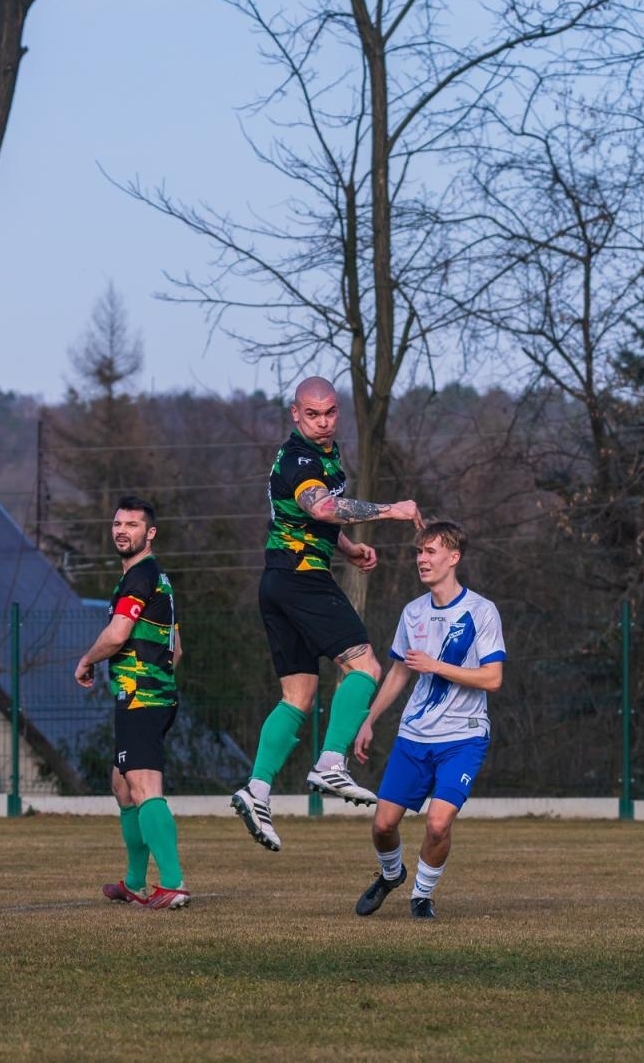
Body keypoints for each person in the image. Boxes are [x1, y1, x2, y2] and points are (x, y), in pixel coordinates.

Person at [231, 376, 423, 852]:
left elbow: (314, 520)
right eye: (312, 414)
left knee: (298, 694)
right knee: (366, 667)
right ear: (295, 414)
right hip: (301, 579)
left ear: (338, 413)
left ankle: (256, 790)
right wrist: (390, 510)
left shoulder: (326, 455)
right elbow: (321, 508)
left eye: (330, 413)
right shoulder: (300, 459)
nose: (322, 422)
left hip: (278, 579)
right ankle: (331, 763)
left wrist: (351, 547)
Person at [352, 520, 504, 919]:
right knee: (383, 826)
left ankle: (422, 895)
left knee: (438, 824)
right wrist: (369, 720)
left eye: (431, 551)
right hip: (414, 737)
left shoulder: (481, 611)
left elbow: (493, 678)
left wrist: (437, 666)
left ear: (453, 558)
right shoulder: (413, 612)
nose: (421, 559)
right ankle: (390, 875)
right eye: (419, 552)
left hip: (463, 738)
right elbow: (401, 670)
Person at [75, 497, 188, 910]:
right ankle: (135, 882)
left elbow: (118, 634)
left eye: (133, 525)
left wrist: (88, 660)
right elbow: (176, 647)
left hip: (143, 696)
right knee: (122, 785)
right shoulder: (155, 579)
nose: (123, 530)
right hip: (144, 694)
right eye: (118, 523)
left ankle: (173, 883)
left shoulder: (142, 575)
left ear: (150, 533)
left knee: (142, 787)